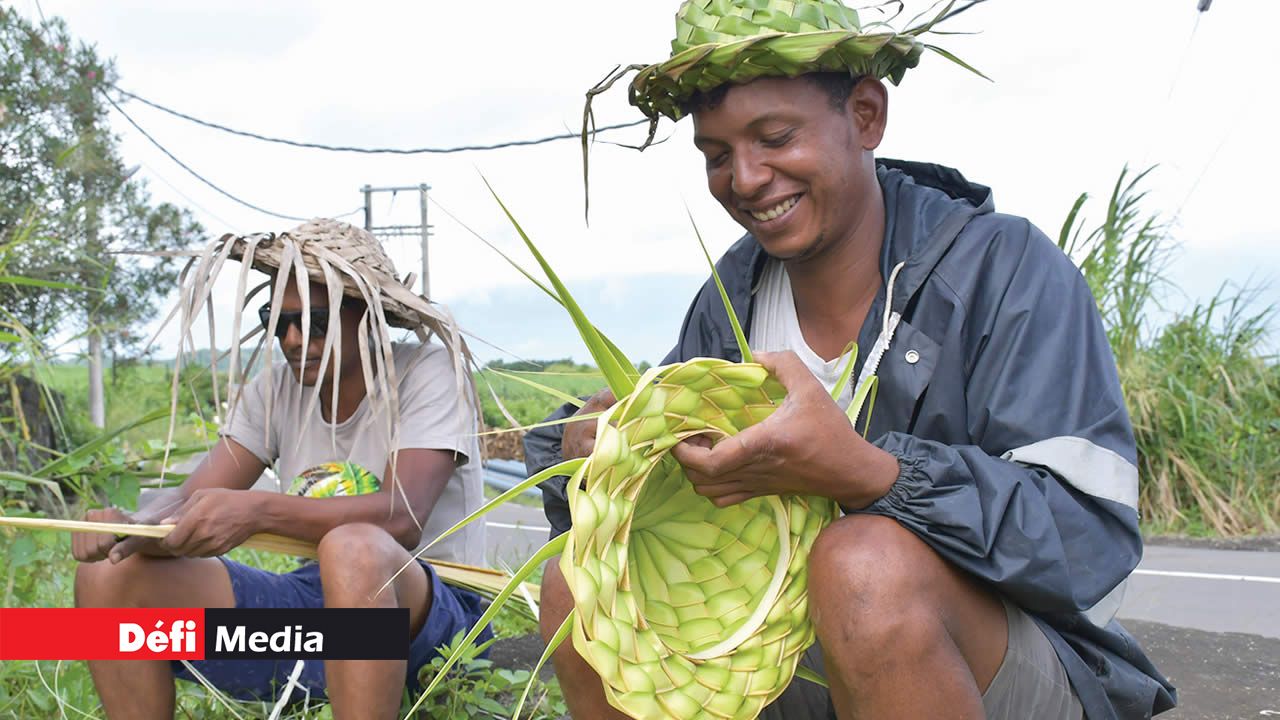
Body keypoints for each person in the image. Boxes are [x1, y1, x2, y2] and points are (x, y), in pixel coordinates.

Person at [525, 2, 1177, 718]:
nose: (744, 178)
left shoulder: (1007, 272)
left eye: (774, 137)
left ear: (866, 115)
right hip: (804, 658)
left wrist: (870, 474)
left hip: (1009, 667)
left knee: (862, 566)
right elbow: (660, 512)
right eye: (716, 156)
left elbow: (1090, 543)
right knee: (573, 590)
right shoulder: (728, 302)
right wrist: (606, 459)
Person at [72, 219, 488, 719]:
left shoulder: (429, 372)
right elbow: (188, 500)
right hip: (319, 618)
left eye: (315, 322)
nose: (293, 339)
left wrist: (259, 510)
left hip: (436, 622)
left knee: (353, 547)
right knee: (108, 577)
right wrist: (131, 527)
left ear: (371, 319)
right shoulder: (274, 390)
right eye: (278, 320)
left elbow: (402, 517)